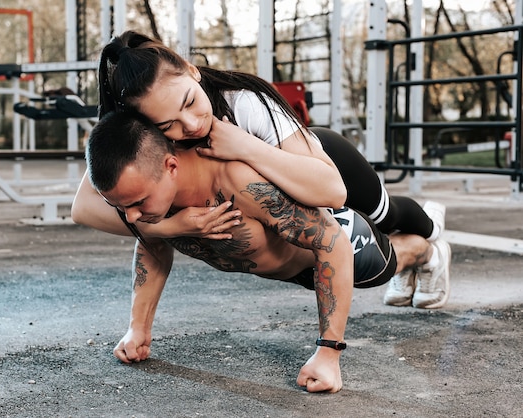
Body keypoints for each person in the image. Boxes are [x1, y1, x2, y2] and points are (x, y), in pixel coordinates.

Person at [71, 30, 450, 310]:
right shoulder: (144, 131)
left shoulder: (246, 103)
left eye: (189, 102)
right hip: (286, 211)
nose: (189, 124)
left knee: (387, 214)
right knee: (370, 272)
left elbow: (332, 190)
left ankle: (434, 234)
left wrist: (243, 145)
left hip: (320, 161)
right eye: (169, 124)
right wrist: (174, 225)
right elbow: (84, 208)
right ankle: (420, 255)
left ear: (192, 70)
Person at [85, 111, 449, 393]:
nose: (131, 217)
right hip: (292, 266)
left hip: (334, 238)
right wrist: (138, 330)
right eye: (122, 207)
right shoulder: (154, 204)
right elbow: (152, 245)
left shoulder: (237, 183)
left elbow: (332, 243)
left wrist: (328, 351)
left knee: (382, 263)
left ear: (171, 166)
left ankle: (429, 253)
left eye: (137, 203)